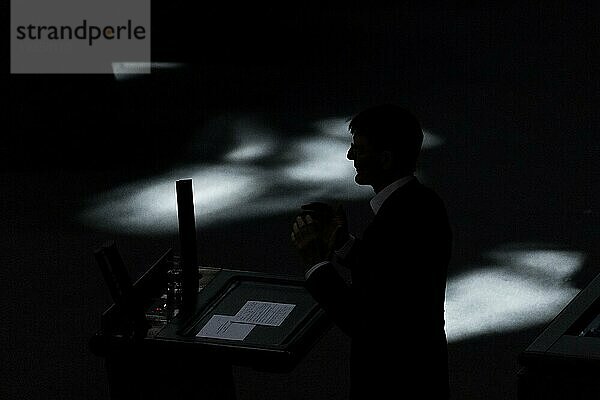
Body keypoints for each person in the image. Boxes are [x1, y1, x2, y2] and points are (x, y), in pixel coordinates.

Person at [291, 104, 452, 399]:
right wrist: (343, 243)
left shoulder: (392, 223)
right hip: (424, 372)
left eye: (359, 149)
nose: (351, 156)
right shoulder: (424, 204)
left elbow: (366, 321)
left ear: (386, 159)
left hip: (391, 381)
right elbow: (394, 273)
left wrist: (317, 265)